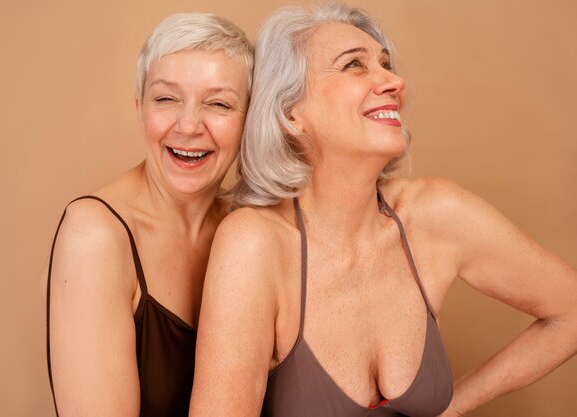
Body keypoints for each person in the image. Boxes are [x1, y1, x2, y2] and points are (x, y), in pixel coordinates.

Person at [189, 3, 577, 417]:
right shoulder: (254, 244)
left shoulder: (435, 215)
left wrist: (453, 406)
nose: (393, 81)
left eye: (386, 64)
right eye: (354, 65)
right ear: (290, 114)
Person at [44, 13, 252, 417]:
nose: (189, 125)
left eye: (219, 104)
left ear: (249, 120)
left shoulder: (251, 226)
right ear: (139, 108)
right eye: (166, 98)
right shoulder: (94, 235)